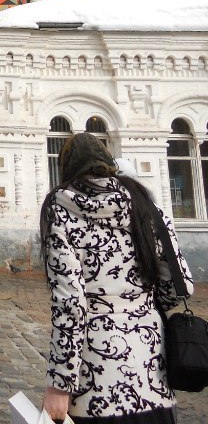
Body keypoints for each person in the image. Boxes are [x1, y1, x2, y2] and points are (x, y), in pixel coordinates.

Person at [40, 132, 193, 424]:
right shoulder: (146, 204)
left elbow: (70, 304)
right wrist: (141, 306)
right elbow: (180, 283)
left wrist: (60, 384)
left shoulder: (60, 209)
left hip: (96, 383)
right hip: (153, 375)